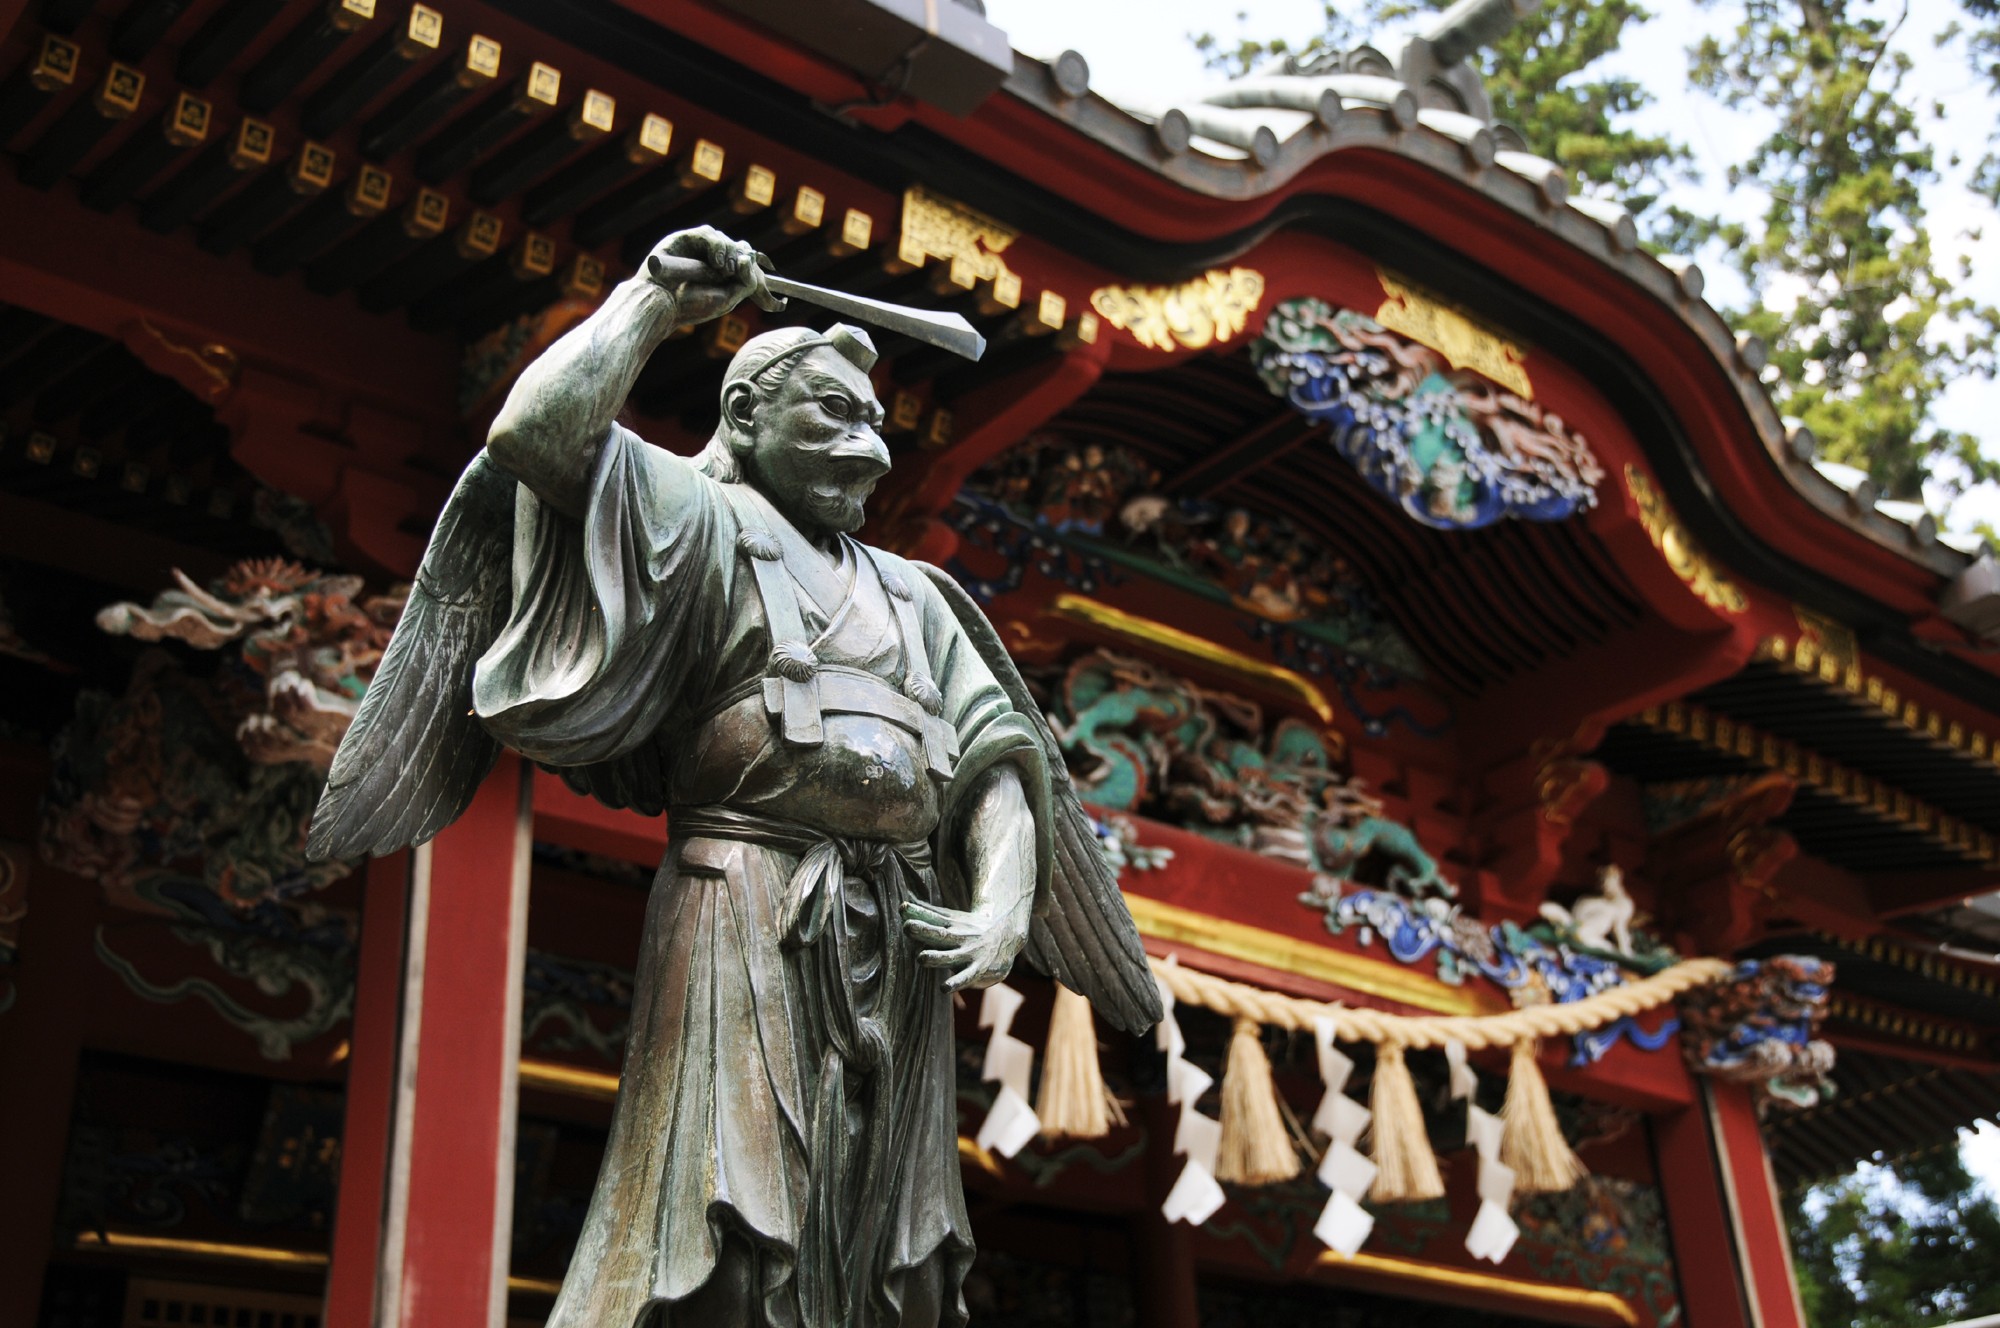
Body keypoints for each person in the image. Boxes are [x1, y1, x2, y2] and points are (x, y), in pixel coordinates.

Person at [306, 226, 1158, 1328]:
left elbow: (998, 760)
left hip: (895, 928)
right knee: (733, 1223)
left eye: (876, 424)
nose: (871, 450)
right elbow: (537, 432)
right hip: (743, 898)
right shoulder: (697, 516)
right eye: (833, 415)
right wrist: (652, 301)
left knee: (886, 1251)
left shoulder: (920, 595)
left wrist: (1000, 897)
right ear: (745, 416)